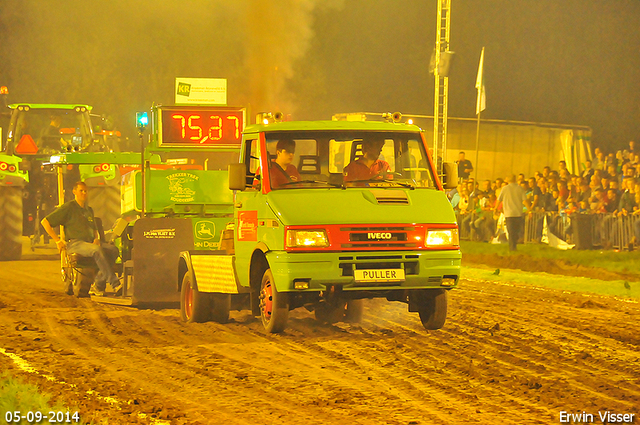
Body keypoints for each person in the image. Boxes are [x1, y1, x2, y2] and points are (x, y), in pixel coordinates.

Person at [41, 181, 121, 296]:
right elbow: (45, 222)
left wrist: (97, 238)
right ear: (74, 192)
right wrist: (58, 241)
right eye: (81, 191)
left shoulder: (89, 210)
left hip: (90, 243)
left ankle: (98, 285)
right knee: (96, 250)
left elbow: (94, 228)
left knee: (113, 250)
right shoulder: (68, 208)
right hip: (75, 243)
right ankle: (115, 283)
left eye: (85, 191)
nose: (84, 193)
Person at [497, 175, 526, 251]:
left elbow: (499, 199)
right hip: (518, 213)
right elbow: (525, 200)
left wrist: (495, 208)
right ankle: (513, 246)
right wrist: (529, 209)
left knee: (511, 231)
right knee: (516, 231)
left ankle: (512, 247)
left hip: (509, 213)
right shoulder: (520, 188)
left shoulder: (505, 189)